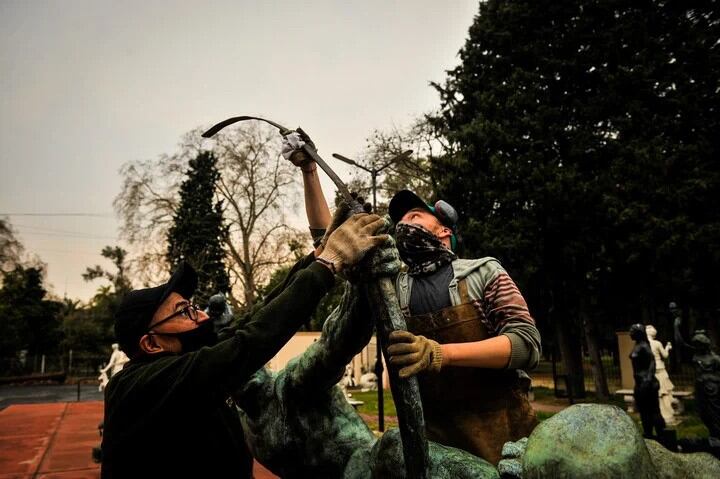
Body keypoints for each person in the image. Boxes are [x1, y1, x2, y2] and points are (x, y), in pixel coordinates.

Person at [100, 210, 387, 478]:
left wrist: (317, 258)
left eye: (193, 305)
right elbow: (250, 342)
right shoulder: (143, 384)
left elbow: (258, 315)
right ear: (150, 343)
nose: (200, 315)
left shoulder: (184, 364)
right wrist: (327, 266)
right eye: (184, 311)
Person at [385, 190, 541, 465]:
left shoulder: (484, 273)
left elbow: (526, 345)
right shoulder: (393, 290)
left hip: (506, 445)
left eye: (415, 216)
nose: (404, 225)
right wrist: (309, 171)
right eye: (401, 222)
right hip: (435, 451)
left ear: (444, 229)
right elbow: (335, 253)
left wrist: (441, 353)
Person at [629, 323, 665, 439]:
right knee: (644, 411)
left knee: (653, 409)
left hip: (646, 384)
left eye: (632, 331)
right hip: (640, 383)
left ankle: (661, 434)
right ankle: (648, 433)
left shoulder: (644, 346)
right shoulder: (638, 345)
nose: (630, 333)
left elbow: (652, 362)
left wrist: (648, 379)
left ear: (638, 333)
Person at [646, 324, 676, 424]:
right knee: (664, 392)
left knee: (656, 393)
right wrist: (667, 347)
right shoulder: (657, 343)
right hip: (660, 368)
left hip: (650, 370)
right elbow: (665, 355)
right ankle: (667, 415)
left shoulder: (644, 344)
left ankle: (657, 415)